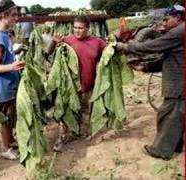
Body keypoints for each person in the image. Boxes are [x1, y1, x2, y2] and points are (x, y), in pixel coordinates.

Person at [116, 5, 185, 160]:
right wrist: (145, 67)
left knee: (168, 115)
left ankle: (161, 150)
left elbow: (151, 46)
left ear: (178, 18)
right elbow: (168, 59)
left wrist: (126, 47)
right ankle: (176, 146)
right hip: (178, 83)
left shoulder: (179, 32)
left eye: (167, 19)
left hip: (179, 85)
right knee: (177, 116)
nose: (164, 22)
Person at [50, 16, 107, 152]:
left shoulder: (97, 42)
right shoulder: (68, 40)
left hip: (89, 85)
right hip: (70, 86)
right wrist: (54, 42)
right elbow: (49, 52)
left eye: (80, 28)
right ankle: (63, 137)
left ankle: (83, 132)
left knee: (86, 110)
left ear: (88, 28)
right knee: (66, 112)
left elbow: (107, 56)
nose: (77, 30)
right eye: (75, 27)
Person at [0, 0, 25, 160]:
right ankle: (5, 148)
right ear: (3, 15)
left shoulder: (5, 35)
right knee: (5, 118)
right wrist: (12, 66)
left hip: (12, 83)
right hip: (4, 85)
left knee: (11, 115)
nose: (16, 18)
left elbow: (6, 56)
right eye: (14, 15)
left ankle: (10, 141)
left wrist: (16, 53)